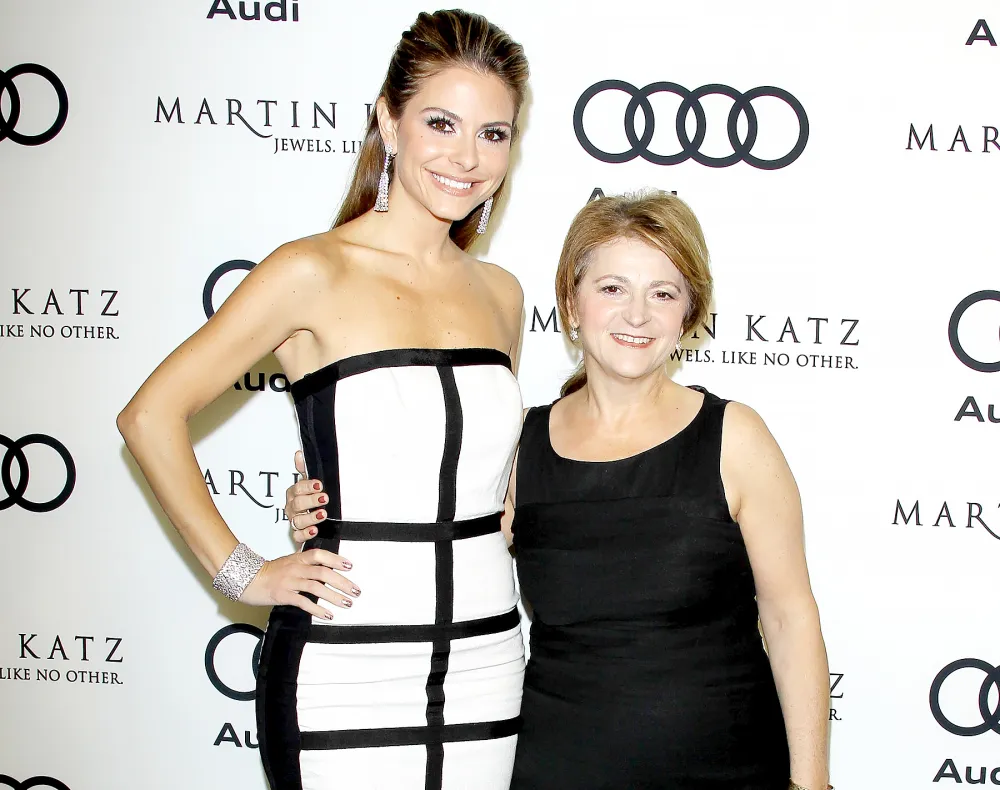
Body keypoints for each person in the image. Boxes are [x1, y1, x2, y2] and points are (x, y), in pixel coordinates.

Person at [286, 191, 832, 789]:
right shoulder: (521, 447)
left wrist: (812, 783)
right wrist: (328, 508)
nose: (637, 315)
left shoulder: (735, 438)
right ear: (571, 304)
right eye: (613, 288)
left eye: (664, 293)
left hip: (729, 767)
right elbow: (438, 548)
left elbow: (789, 618)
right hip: (560, 767)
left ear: (688, 314)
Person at [117, 10, 530, 790]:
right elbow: (149, 415)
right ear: (389, 120)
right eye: (442, 122)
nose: (467, 157)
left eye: (494, 134)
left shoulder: (501, 296)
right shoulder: (311, 271)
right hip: (344, 663)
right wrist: (242, 572)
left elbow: (487, 479)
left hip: (485, 657)